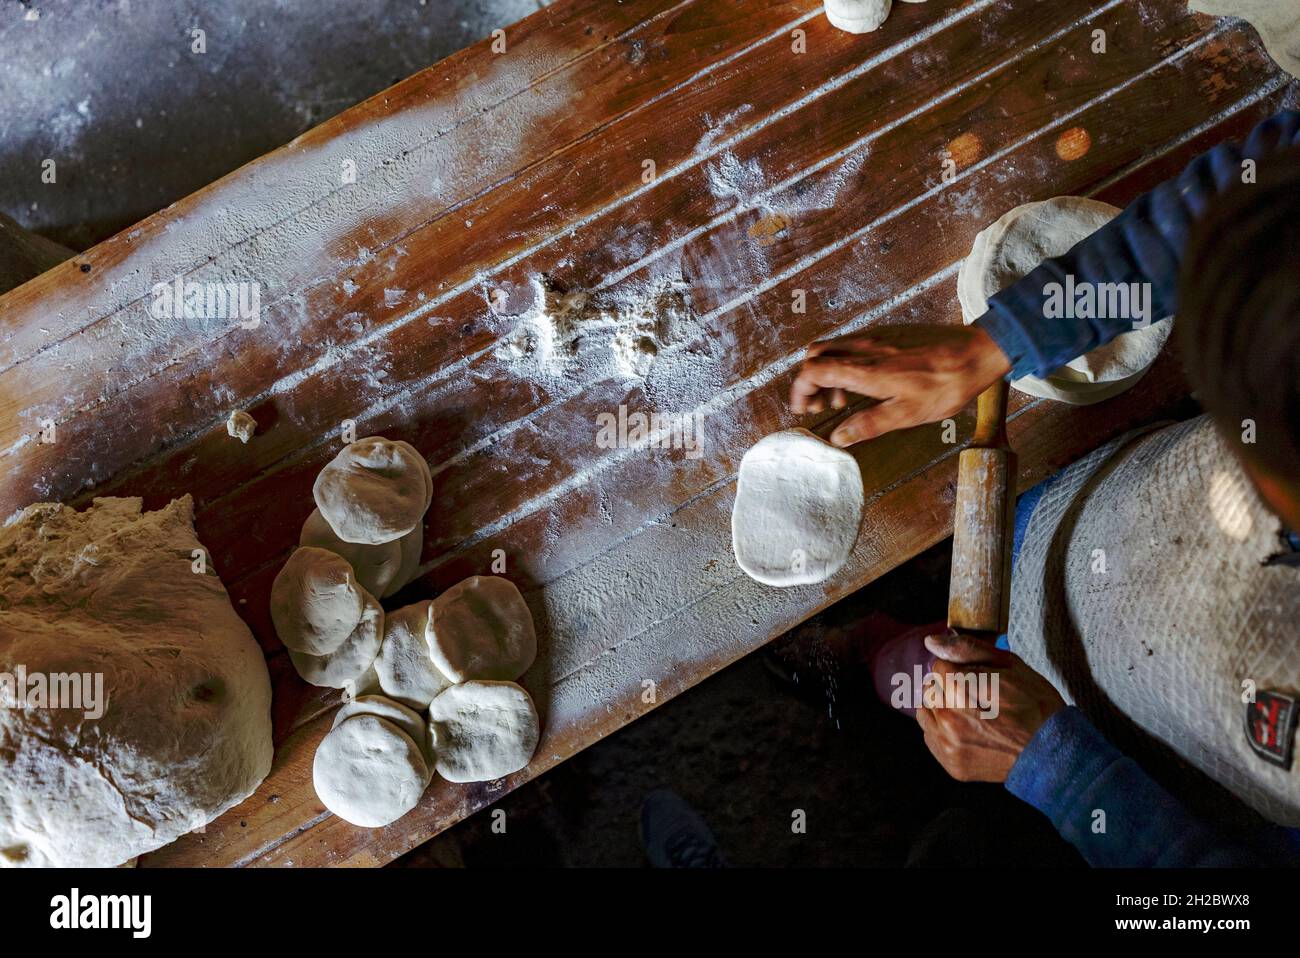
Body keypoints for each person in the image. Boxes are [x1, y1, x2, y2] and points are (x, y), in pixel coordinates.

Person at [789, 111, 1300, 867]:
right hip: (1117, 526)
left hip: (1168, 767)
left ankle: (883, 667)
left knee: (956, 711)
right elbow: (1268, 189)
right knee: (962, 626)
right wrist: (1003, 339)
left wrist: (1060, 772)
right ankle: (881, 646)